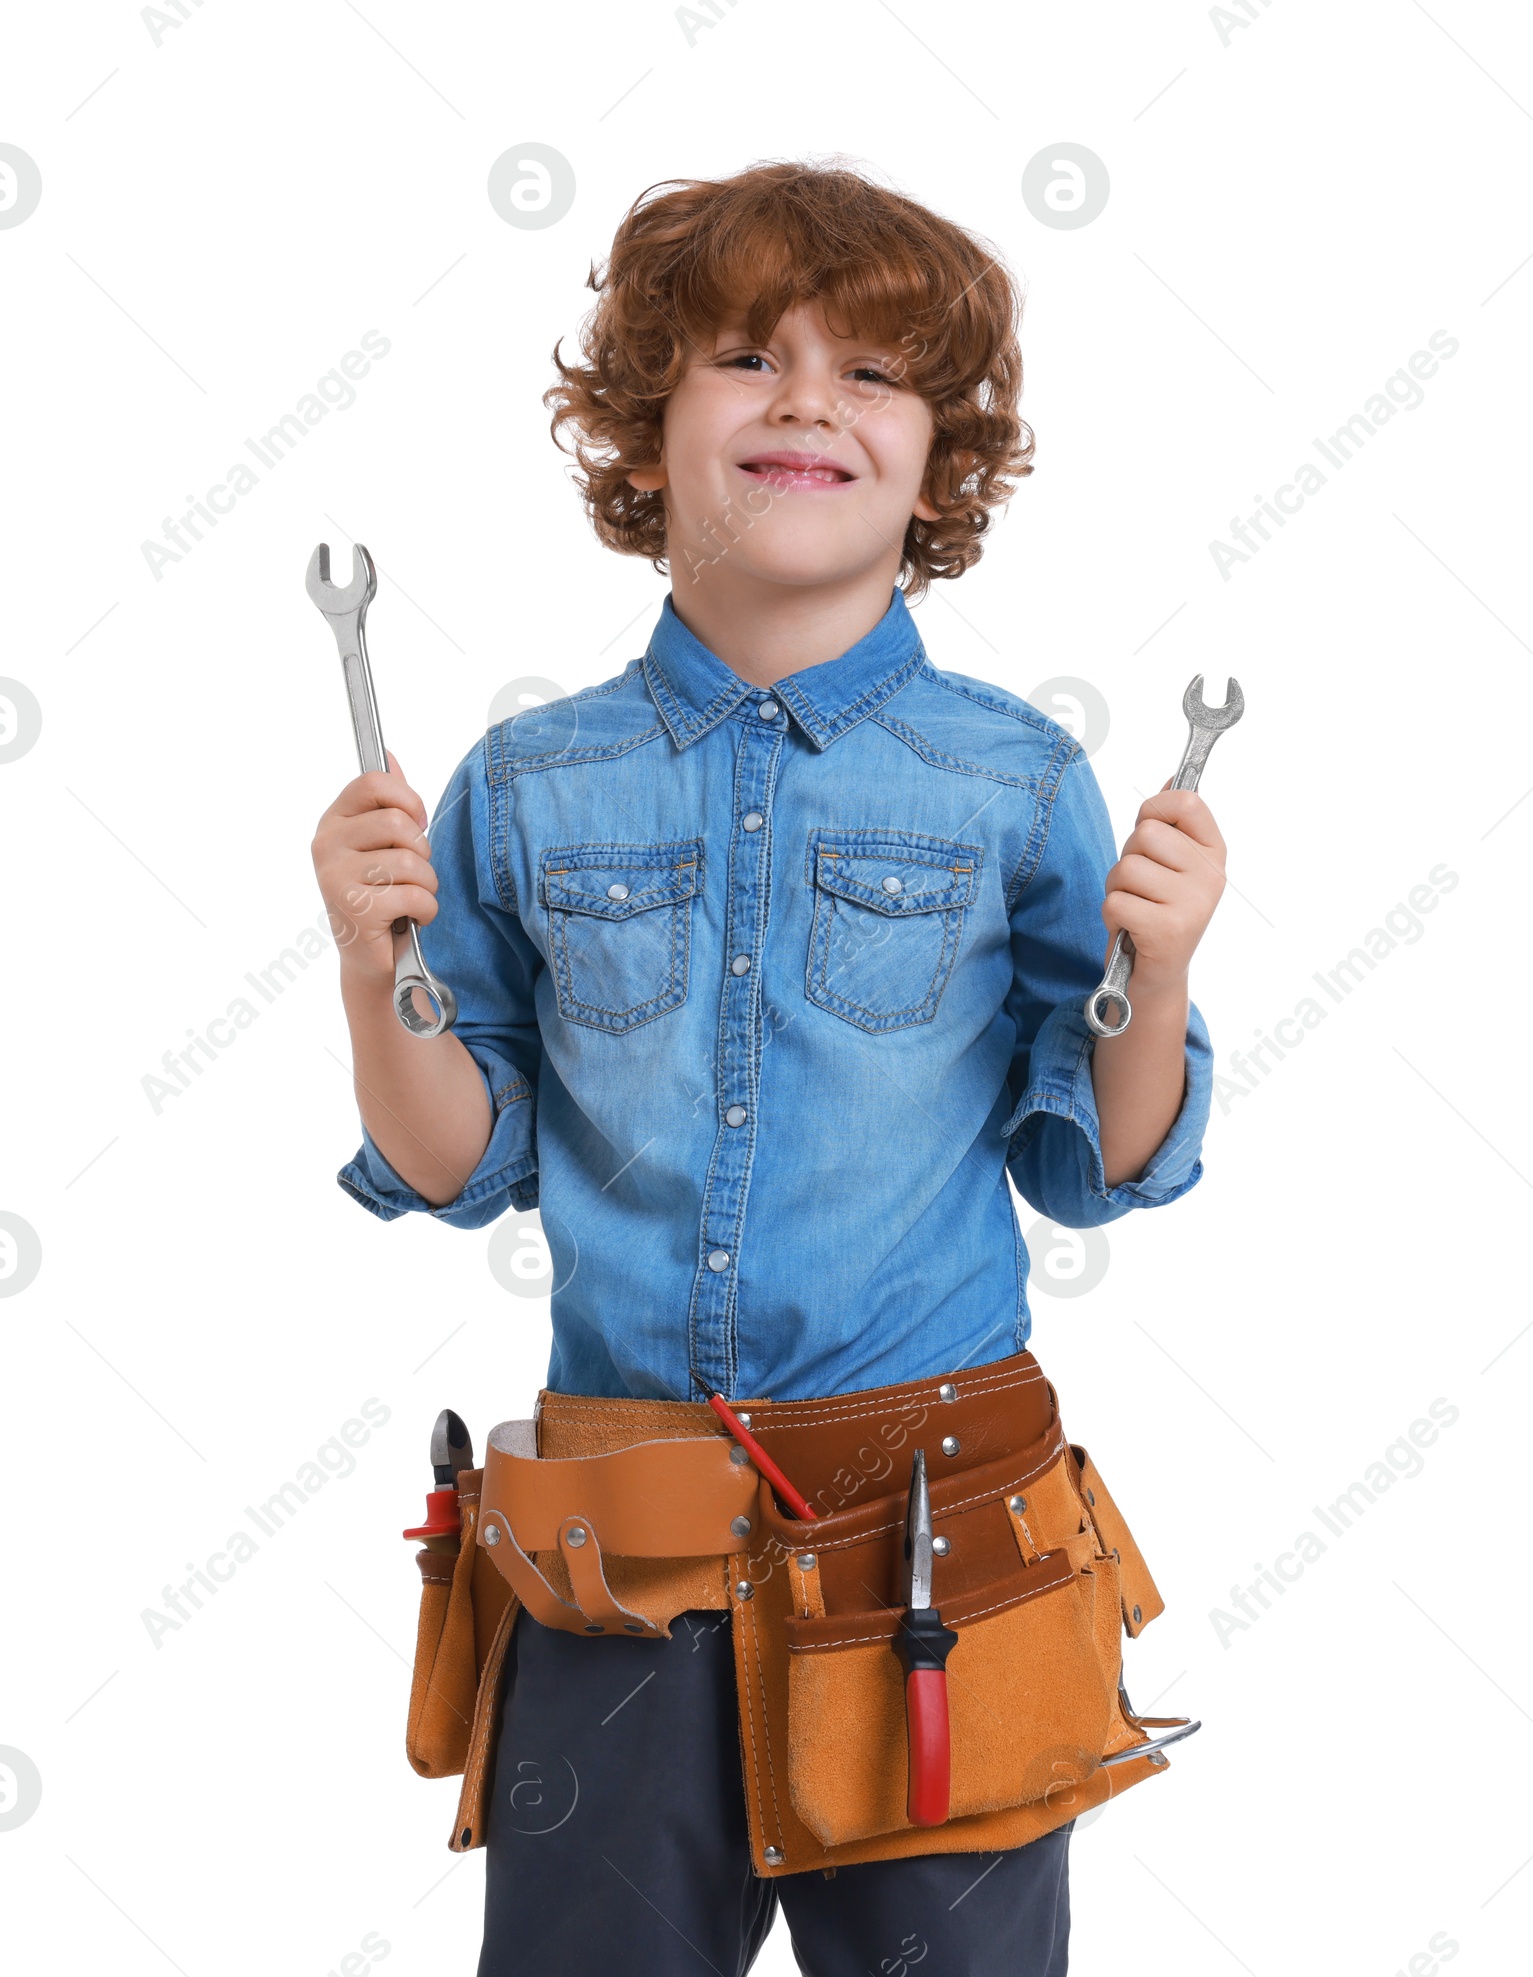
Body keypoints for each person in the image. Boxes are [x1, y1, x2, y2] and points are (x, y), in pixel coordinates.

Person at [312, 159, 1225, 1977]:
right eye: (746, 355)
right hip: (611, 1570)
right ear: (645, 436)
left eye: (872, 372)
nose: (808, 397)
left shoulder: (1015, 781)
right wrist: (369, 970)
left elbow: (1097, 1159)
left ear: (939, 466)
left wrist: (1163, 965)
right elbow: (450, 1159)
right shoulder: (529, 785)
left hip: (935, 1564)